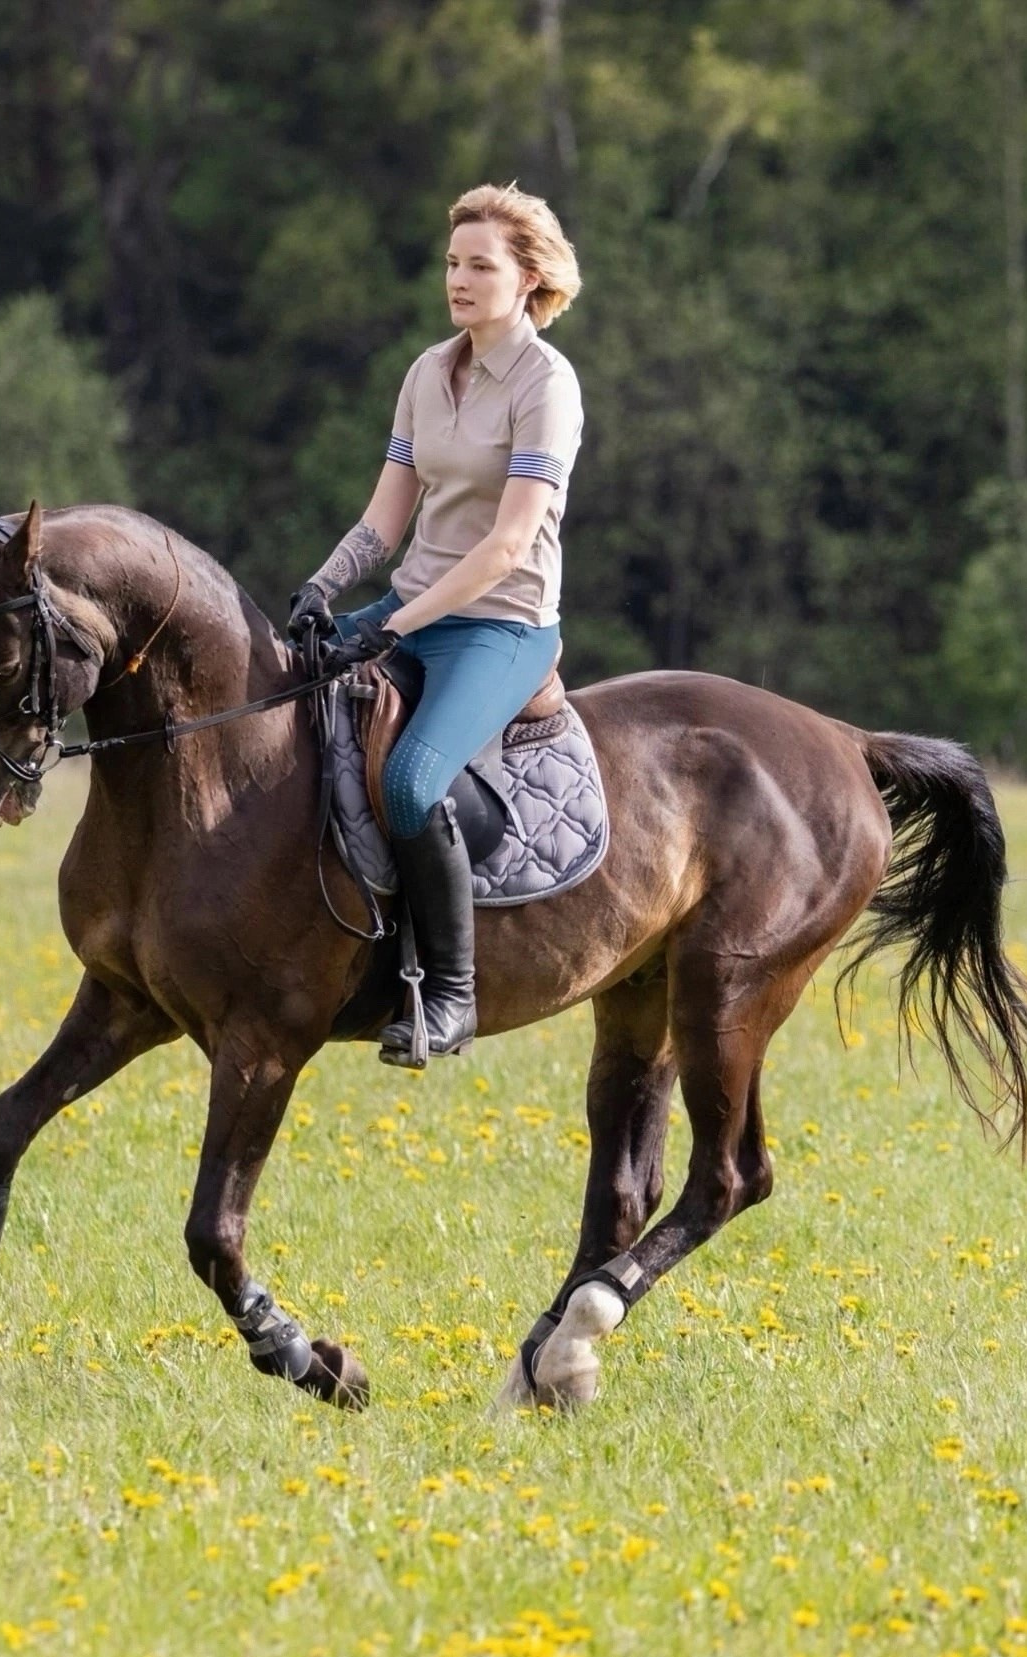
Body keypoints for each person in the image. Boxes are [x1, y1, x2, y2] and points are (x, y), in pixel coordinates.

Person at [289, 182, 584, 1069]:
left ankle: (450, 996)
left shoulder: (548, 385)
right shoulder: (428, 370)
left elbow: (505, 547)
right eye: (453, 263)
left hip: (501, 625)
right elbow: (386, 520)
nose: (459, 279)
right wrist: (323, 586)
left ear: (528, 279)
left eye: (480, 266)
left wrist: (391, 625)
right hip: (413, 607)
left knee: (415, 779)